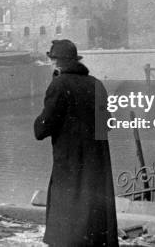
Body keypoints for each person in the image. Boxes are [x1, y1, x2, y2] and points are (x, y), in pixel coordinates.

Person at [34, 39, 118, 247]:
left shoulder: (59, 84)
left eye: (52, 61)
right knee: (92, 214)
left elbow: (41, 129)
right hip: (96, 163)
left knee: (69, 210)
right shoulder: (97, 84)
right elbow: (107, 123)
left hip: (70, 162)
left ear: (57, 63)